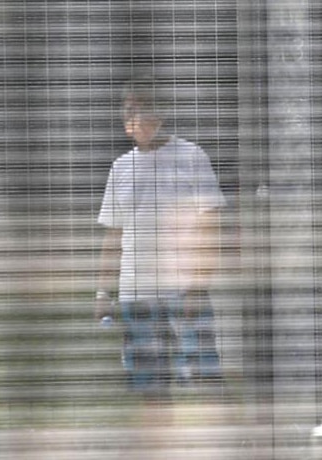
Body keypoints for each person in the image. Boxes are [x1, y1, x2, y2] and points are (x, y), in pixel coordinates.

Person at [95, 78, 227, 403]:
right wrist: (102, 292)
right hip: (135, 295)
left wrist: (198, 286)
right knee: (149, 388)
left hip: (182, 292)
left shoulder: (191, 157)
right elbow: (114, 236)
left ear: (161, 114)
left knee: (202, 378)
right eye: (129, 111)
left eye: (143, 109)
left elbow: (210, 227)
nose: (135, 118)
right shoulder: (120, 168)